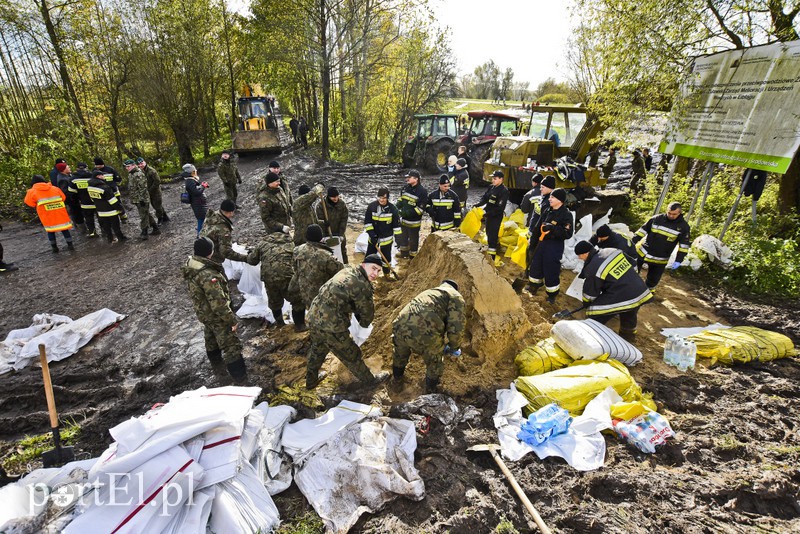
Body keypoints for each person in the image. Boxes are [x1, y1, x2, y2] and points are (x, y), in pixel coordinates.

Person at [305, 254, 390, 388]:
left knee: (317, 348)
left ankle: (310, 381)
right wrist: (362, 327)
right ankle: (370, 382)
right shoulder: (362, 285)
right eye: (373, 268)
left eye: (378, 271)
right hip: (331, 325)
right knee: (351, 354)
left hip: (313, 316)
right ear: (363, 265)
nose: (375, 273)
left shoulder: (348, 269)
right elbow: (367, 315)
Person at [182, 237, 248, 384]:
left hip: (204, 312)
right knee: (231, 345)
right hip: (215, 314)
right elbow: (218, 303)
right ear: (210, 252)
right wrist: (231, 320)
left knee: (210, 334)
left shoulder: (192, 265)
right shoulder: (208, 275)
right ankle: (241, 378)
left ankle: (216, 363)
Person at [391, 279, 465, 392]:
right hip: (425, 329)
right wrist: (454, 347)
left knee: (400, 353)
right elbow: (456, 326)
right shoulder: (455, 296)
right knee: (435, 362)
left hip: (400, 323)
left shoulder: (430, 292)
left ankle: (396, 382)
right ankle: (429, 392)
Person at [573, 240, 652, 337]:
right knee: (629, 310)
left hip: (624, 293)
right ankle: (628, 338)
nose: (579, 258)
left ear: (586, 253)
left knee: (594, 311)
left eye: (579, 255)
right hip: (639, 289)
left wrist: (587, 304)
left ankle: (592, 336)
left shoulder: (593, 267)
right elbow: (633, 264)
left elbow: (590, 293)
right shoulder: (611, 251)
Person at [247, 226, 306, 330]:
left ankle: (280, 324)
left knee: (275, 301)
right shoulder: (290, 243)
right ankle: (299, 325)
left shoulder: (262, 243)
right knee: (297, 300)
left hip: (269, 278)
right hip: (287, 276)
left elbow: (252, 261)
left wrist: (249, 255)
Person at [527, 188, 573, 302]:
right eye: (550, 197)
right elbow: (538, 227)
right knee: (536, 265)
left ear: (560, 201)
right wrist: (532, 243)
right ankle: (534, 286)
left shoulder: (566, 215)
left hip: (554, 246)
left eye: (553, 197)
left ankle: (552, 294)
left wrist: (553, 229)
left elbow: (567, 233)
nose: (550, 199)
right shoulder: (547, 210)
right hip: (541, 243)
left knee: (550, 269)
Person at [632, 201, 691, 290]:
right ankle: (628, 290)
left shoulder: (683, 227)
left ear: (680, 213)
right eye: (669, 213)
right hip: (643, 253)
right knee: (632, 273)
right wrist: (630, 244)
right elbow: (641, 232)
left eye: (674, 214)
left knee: (653, 279)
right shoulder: (656, 219)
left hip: (660, 258)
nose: (671, 216)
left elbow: (684, 246)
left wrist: (678, 260)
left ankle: (649, 293)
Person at [290, 224, 344, 310]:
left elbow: (294, 267)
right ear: (321, 238)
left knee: (297, 306)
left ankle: (299, 322)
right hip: (318, 296)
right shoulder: (326, 255)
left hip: (301, 290)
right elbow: (340, 272)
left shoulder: (297, 250)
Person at [24, 175, 75, 252]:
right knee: (65, 229)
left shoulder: (31, 192)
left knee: (50, 231)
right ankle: (70, 245)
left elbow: (30, 203)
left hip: (46, 215)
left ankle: (54, 248)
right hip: (60, 213)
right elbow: (63, 198)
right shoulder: (55, 188)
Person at [200, 200, 251, 265]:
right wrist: (246, 258)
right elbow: (226, 252)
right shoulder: (223, 229)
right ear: (231, 212)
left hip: (201, 254)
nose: (232, 215)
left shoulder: (212, 217)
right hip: (212, 260)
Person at [364, 187, 401, 277]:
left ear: (387, 198)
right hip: (373, 239)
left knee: (386, 259)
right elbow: (367, 222)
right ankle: (365, 274)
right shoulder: (372, 206)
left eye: (384, 198)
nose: (381, 200)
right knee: (369, 256)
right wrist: (372, 235)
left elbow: (396, 226)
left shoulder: (393, 209)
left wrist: (398, 239)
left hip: (386, 239)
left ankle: (386, 274)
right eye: (380, 197)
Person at [474, 170, 509, 261]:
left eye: (495, 179)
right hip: (489, 215)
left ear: (501, 179)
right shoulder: (491, 187)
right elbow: (485, 198)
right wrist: (477, 205)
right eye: (492, 178)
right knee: (488, 233)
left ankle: (492, 258)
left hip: (495, 217)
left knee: (493, 236)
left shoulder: (503, 191)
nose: (492, 180)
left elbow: (500, 208)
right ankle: (490, 252)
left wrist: (487, 214)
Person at [395, 169, 428, 258]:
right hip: (404, 221)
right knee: (403, 237)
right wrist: (396, 208)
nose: (407, 179)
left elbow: (420, 209)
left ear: (416, 179)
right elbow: (400, 200)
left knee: (413, 239)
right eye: (407, 177)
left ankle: (413, 256)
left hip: (414, 222)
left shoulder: (422, 191)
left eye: (409, 177)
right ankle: (403, 253)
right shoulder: (405, 188)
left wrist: (405, 213)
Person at [125, 159, 160, 240]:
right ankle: (155, 228)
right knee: (146, 213)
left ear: (133, 165)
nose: (127, 168)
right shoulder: (131, 174)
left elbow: (143, 188)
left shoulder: (139, 174)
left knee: (143, 215)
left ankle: (144, 232)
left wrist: (141, 199)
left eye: (128, 166)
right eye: (126, 167)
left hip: (142, 199)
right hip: (136, 198)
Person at [88, 170, 127, 243]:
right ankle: (121, 238)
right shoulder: (105, 187)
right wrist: (120, 208)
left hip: (100, 211)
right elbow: (112, 200)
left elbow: (92, 199)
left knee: (106, 226)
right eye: (102, 175)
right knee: (116, 226)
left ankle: (110, 239)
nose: (103, 176)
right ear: (98, 176)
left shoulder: (90, 187)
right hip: (111, 211)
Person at [316, 186, 349, 263]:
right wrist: (323, 235)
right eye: (333, 197)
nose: (336, 198)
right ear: (329, 196)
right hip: (327, 233)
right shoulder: (321, 205)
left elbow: (344, 220)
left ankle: (346, 268)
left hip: (338, 232)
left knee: (343, 251)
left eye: (337, 196)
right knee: (327, 254)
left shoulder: (342, 204)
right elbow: (318, 221)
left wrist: (341, 234)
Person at [68, 163, 99, 237]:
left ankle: (92, 232)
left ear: (77, 169)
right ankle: (105, 231)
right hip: (96, 201)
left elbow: (72, 193)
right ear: (86, 168)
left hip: (84, 203)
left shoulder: (73, 179)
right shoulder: (92, 176)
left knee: (88, 218)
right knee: (101, 217)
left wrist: (77, 201)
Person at [53, 162, 85, 232]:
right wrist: (75, 195)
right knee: (77, 214)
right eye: (68, 167)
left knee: (77, 213)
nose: (69, 168)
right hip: (72, 200)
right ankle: (82, 229)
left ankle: (80, 227)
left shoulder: (66, 176)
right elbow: (66, 192)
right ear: (63, 170)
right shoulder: (63, 179)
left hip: (73, 199)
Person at [138, 157, 169, 223]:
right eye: (139, 164)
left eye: (142, 163)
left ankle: (160, 219)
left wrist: (150, 190)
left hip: (156, 192)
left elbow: (157, 181)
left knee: (157, 206)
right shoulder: (141, 171)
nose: (141, 165)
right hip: (149, 192)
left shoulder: (151, 171)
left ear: (145, 162)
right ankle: (165, 217)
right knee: (156, 205)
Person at [184, 163, 209, 237]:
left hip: (199, 203)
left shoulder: (191, 180)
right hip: (198, 204)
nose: (196, 172)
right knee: (201, 219)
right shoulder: (190, 181)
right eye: (194, 171)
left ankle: (201, 234)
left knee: (202, 219)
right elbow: (197, 192)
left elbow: (195, 189)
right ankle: (199, 235)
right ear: (191, 172)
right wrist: (203, 186)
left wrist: (201, 185)